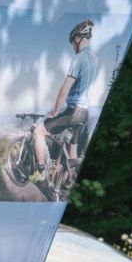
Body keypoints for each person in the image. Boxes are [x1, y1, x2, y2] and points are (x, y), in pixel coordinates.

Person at [29, 18, 100, 186]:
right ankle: (69, 180)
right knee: (72, 148)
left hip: (74, 112)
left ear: (77, 39)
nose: (72, 46)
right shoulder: (93, 59)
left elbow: (64, 89)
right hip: (84, 112)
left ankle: (40, 173)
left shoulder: (79, 58)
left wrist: (55, 111)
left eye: (72, 42)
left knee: (39, 131)